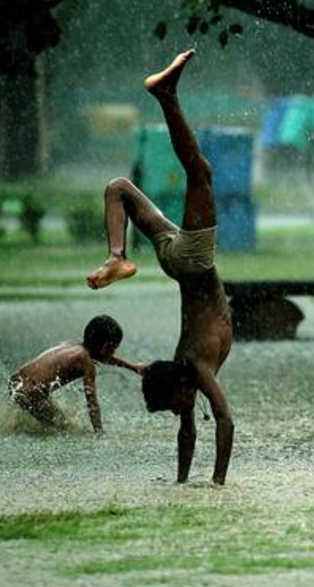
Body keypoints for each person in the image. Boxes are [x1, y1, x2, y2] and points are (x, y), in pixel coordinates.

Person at [85, 49, 235, 485]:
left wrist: (218, 486)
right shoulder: (187, 371)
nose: (182, 415)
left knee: (200, 174)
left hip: (190, 262)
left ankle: (166, 95)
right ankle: (115, 256)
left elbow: (224, 422)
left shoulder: (193, 369)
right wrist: (183, 484)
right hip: (180, 260)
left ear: (181, 390)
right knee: (119, 189)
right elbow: (193, 429)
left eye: (175, 406)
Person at [7, 314, 140, 433]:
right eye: (112, 349)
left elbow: (104, 357)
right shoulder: (86, 363)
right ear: (104, 346)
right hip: (31, 391)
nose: (113, 354)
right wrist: (99, 432)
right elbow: (92, 402)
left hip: (17, 381)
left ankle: (16, 428)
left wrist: (132, 367)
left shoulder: (73, 346)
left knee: (55, 419)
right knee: (65, 428)